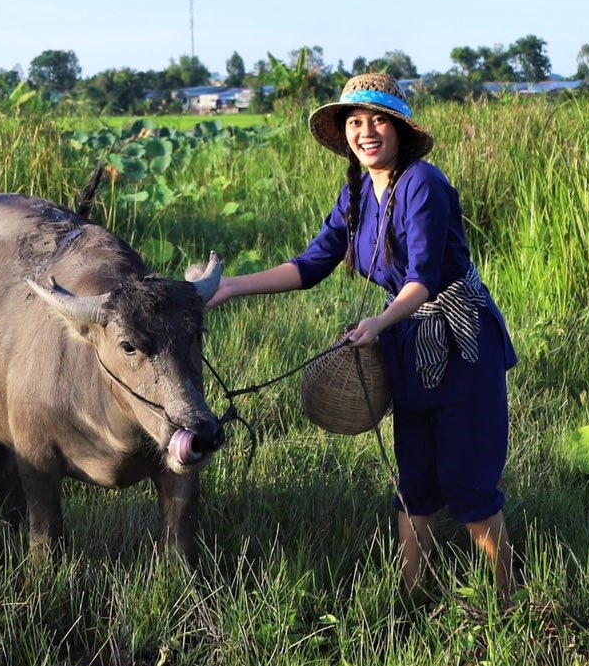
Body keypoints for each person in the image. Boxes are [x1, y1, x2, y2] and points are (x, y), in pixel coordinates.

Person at [203, 73, 517, 599]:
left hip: (460, 345)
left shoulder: (423, 184)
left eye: (377, 120)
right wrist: (230, 287)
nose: (365, 131)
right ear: (344, 133)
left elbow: (423, 277)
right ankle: (412, 595)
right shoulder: (356, 195)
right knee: (413, 482)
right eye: (354, 121)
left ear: (398, 129)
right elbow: (311, 264)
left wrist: (378, 322)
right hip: (408, 344)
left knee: (468, 484)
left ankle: (510, 598)